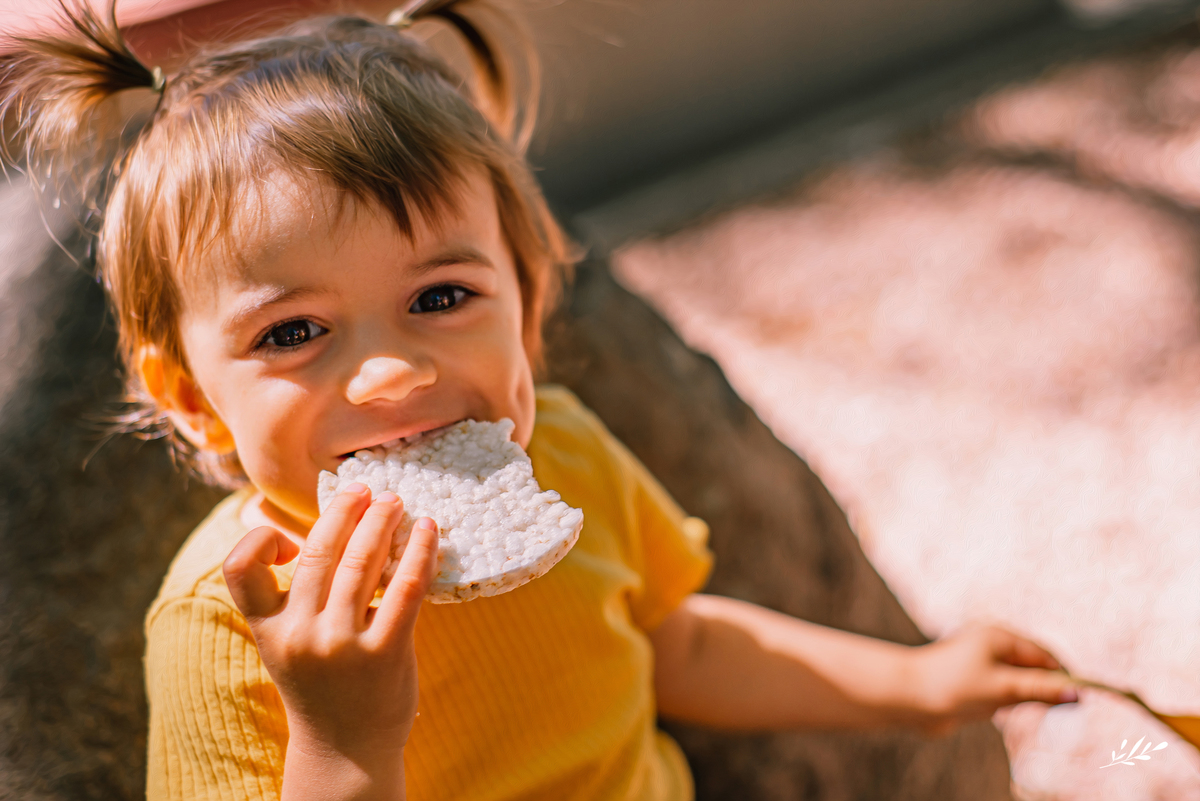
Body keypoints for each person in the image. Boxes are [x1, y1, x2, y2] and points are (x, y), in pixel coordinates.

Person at [1, 2, 1080, 799]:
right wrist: (340, 739)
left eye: (440, 298)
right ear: (192, 399)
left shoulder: (566, 455)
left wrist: (916, 683)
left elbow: (675, 644)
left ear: (528, 304)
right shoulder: (231, 624)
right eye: (292, 333)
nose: (393, 375)